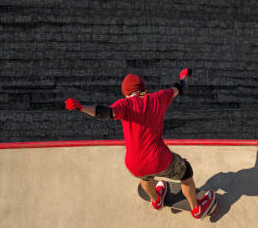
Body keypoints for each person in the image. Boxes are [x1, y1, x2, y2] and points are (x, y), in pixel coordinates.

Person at [65, 68, 216, 219]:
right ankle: (197, 209)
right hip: (159, 160)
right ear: (143, 89)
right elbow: (180, 87)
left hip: (134, 165)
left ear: (126, 93)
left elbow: (105, 112)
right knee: (186, 171)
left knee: (145, 177)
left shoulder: (124, 104)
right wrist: (184, 76)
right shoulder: (159, 97)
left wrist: (81, 107)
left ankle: (156, 200)